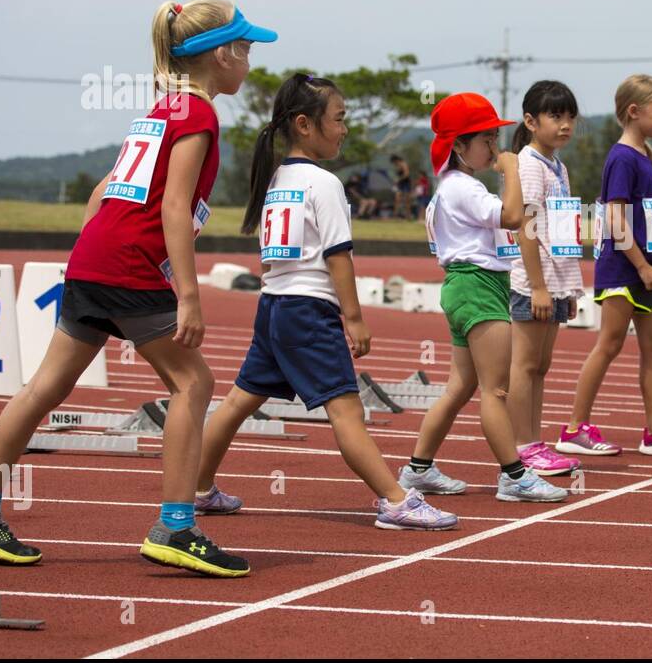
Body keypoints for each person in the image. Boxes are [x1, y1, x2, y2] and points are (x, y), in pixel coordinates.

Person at [0, 0, 276, 576]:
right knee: (194, 382)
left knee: (43, 387)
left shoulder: (161, 109)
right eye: (245, 50)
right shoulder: (198, 116)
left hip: (94, 255)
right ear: (223, 55)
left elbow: (106, 190)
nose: (250, 61)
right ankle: (176, 525)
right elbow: (173, 206)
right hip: (131, 267)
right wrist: (189, 295)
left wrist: (92, 252)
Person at [194, 74, 456, 531]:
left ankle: (196, 489)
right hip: (308, 311)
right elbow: (338, 255)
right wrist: (353, 318)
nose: (345, 128)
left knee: (237, 401)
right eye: (339, 119)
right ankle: (395, 501)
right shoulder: (325, 183)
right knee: (346, 410)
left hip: (273, 306)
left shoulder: (278, 178)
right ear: (304, 125)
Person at [400, 93, 567, 502]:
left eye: (496, 139)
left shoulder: (453, 187)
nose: (495, 148)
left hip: (467, 286)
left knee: (460, 387)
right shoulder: (462, 188)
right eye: (487, 139)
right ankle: (513, 476)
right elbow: (512, 217)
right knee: (496, 390)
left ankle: (418, 468)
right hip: (477, 286)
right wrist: (511, 169)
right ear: (459, 146)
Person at [561, 74, 652, 457]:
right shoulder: (621, 158)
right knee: (609, 344)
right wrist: (641, 264)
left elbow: (639, 219)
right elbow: (615, 220)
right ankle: (575, 428)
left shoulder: (643, 157)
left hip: (645, 266)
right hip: (623, 270)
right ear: (634, 112)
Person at [506, 81, 585, 475]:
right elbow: (527, 227)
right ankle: (522, 445)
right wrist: (537, 285)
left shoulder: (557, 165)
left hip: (555, 279)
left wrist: (567, 287)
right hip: (531, 280)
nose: (565, 124)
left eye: (570, 116)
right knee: (524, 364)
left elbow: (563, 229)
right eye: (556, 116)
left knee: (541, 365)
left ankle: (534, 442)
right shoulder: (529, 164)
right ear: (531, 121)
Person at [390, 154, 413, 219]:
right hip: (401, 184)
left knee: (407, 200)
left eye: (394, 162)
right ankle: (395, 215)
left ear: (396, 160)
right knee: (397, 199)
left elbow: (407, 174)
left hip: (406, 184)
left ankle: (408, 216)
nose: (394, 164)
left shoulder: (403, 164)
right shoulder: (397, 166)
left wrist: (399, 180)